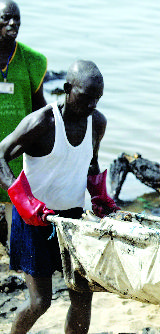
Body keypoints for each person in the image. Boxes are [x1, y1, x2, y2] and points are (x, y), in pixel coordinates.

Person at [0, 60, 119, 334]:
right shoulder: (42, 122)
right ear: (67, 89)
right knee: (40, 302)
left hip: (72, 221)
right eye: (87, 97)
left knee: (82, 298)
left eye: (97, 99)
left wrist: (99, 194)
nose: (92, 105)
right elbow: (1, 154)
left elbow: (90, 164)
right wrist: (22, 198)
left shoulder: (97, 123)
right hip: (34, 221)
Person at [0, 0, 47, 246]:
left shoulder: (32, 60)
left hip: (17, 151)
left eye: (16, 19)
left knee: (16, 209)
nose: (13, 24)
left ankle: (15, 264)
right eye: (6, 18)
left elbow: (41, 109)